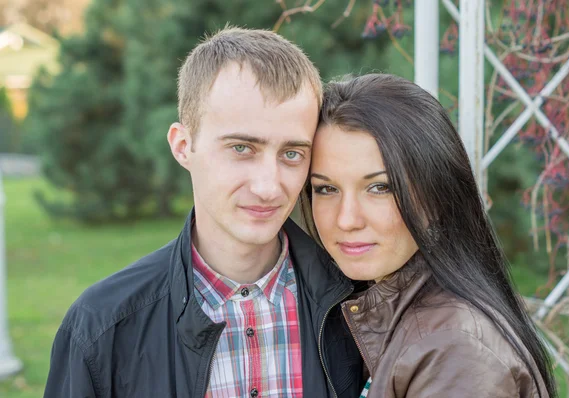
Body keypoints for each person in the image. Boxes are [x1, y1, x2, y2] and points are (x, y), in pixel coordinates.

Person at [43, 27, 364, 398]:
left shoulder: (362, 306)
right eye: (242, 148)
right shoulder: (101, 329)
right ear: (183, 146)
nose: (268, 186)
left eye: (292, 153)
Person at [302, 73, 557, 397]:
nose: (346, 219)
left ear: (435, 196)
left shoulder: (455, 349)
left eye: (380, 188)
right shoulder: (372, 310)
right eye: (326, 188)